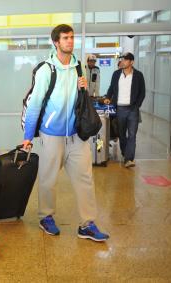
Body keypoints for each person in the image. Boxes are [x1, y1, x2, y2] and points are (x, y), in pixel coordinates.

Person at [22, 24, 109, 242]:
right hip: (52, 134)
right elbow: (34, 105)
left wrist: (84, 87)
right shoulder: (45, 70)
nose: (70, 41)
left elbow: (80, 100)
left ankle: (87, 224)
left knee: (85, 179)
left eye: (71, 37)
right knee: (48, 180)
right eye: (65, 38)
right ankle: (46, 217)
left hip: (76, 135)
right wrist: (27, 137)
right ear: (56, 42)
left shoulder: (79, 66)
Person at [103, 52, 145, 168]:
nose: (123, 61)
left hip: (133, 109)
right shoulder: (116, 74)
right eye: (122, 59)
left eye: (125, 60)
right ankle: (125, 153)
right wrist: (107, 97)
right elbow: (111, 88)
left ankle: (129, 159)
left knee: (132, 135)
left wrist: (136, 106)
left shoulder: (138, 75)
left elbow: (142, 92)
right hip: (120, 108)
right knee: (121, 134)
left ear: (132, 62)